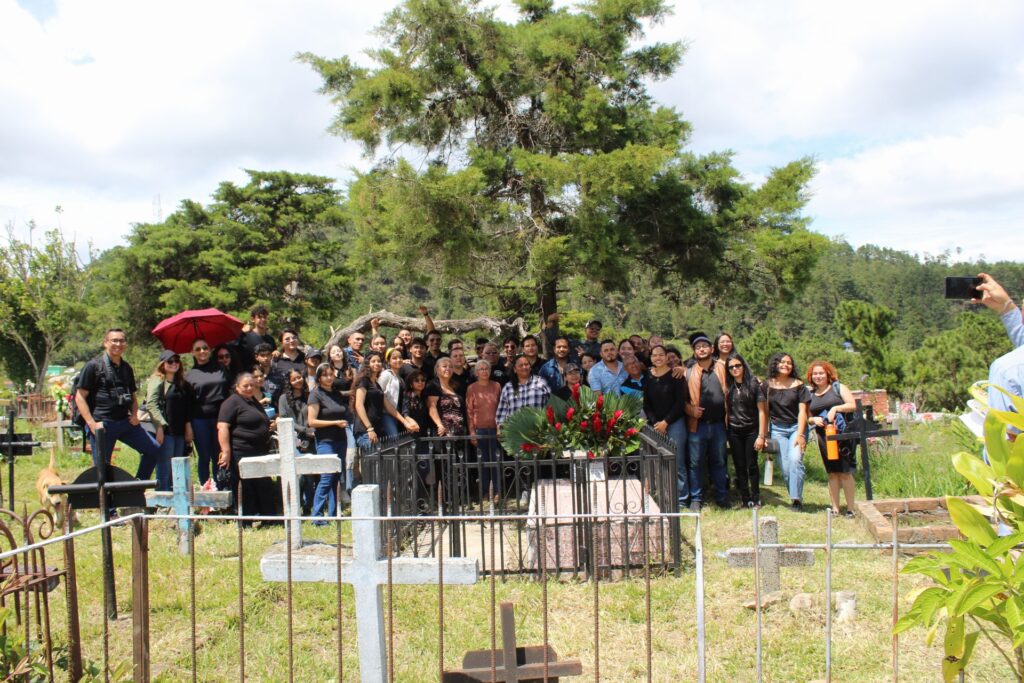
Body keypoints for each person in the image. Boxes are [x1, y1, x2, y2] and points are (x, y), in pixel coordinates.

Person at [74, 329, 163, 514]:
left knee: (153, 449)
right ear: (105, 342)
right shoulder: (93, 366)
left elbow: (132, 394)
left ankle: (134, 489)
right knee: (102, 469)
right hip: (102, 424)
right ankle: (109, 512)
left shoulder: (126, 367)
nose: (118, 344)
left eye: (122, 341)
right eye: (114, 340)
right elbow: (80, 397)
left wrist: (134, 414)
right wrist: (92, 423)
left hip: (125, 422)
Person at [217, 373, 275, 518]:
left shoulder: (253, 401)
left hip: (259, 449)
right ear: (237, 387)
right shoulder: (232, 402)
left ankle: (267, 517)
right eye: (245, 386)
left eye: (252, 385)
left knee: (262, 484)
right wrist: (226, 451)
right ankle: (247, 519)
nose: (249, 388)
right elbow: (222, 427)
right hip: (241, 450)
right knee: (245, 486)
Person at [683, 333, 729, 511]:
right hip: (697, 425)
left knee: (719, 461)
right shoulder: (688, 372)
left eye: (704, 345)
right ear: (694, 352)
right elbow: (682, 400)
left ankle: (722, 497)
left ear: (712, 349)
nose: (701, 349)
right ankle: (696, 498)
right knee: (696, 463)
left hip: (718, 424)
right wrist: (691, 410)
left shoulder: (723, 368)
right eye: (697, 347)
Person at [806, 360, 859, 517]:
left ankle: (850, 509)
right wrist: (813, 420)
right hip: (823, 436)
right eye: (815, 373)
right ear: (811, 376)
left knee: (845, 472)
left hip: (843, 434)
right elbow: (807, 417)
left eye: (821, 373)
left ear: (828, 373)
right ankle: (835, 509)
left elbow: (852, 405)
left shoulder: (838, 388)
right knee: (832, 473)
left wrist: (835, 409)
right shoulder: (810, 394)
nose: (818, 376)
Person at [643, 345, 688, 506]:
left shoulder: (676, 375)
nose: (658, 358)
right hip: (655, 425)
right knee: (657, 462)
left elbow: (679, 403)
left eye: (661, 355)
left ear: (666, 357)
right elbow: (646, 403)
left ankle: (681, 500)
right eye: (654, 355)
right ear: (651, 357)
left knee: (677, 461)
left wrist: (666, 422)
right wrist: (656, 422)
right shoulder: (648, 376)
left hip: (675, 422)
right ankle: (661, 497)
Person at [765, 352, 811, 510]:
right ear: (775, 364)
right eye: (782, 362)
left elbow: (803, 412)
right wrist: (764, 435)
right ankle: (795, 496)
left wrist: (800, 434)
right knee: (785, 468)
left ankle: (796, 499)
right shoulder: (767, 386)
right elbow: (763, 412)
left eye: (789, 363)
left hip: (797, 428)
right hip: (777, 430)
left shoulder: (799, 385)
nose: (785, 365)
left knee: (795, 460)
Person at [308, 363, 350, 520]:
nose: (329, 377)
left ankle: (333, 514)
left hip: (341, 439)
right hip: (325, 440)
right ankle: (317, 515)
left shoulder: (336, 393)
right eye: (325, 375)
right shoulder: (315, 394)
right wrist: (334, 423)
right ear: (319, 377)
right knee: (326, 477)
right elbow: (311, 421)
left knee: (336, 477)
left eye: (331, 374)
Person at [146, 350, 193, 492]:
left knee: (178, 467)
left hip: (179, 430)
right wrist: (160, 427)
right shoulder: (158, 380)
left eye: (176, 361)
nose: (174, 364)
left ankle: (177, 499)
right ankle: (163, 499)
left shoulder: (182, 383)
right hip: (166, 431)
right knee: (164, 467)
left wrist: (188, 428)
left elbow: (186, 408)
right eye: (170, 361)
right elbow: (151, 404)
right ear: (162, 364)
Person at [186, 338, 231, 486]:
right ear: (192, 352)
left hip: (221, 419)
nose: (202, 351)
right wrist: (188, 426)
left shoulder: (220, 368)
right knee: (204, 457)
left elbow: (230, 390)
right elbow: (187, 402)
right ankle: (206, 493)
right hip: (200, 420)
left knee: (219, 455)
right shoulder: (189, 375)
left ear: (210, 350)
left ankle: (222, 488)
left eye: (205, 348)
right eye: (198, 349)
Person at [725, 353, 768, 508]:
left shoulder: (754, 384)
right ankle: (745, 498)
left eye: (738, 365)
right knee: (739, 465)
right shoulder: (728, 387)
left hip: (752, 431)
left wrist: (761, 436)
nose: (735, 369)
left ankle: (756, 497)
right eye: (731, 367)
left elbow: (762, 412)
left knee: (752, 464)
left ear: (743, 366)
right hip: (734, 431)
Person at [278, 369, 316, 515]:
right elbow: (285, 419)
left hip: (311, 438)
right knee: (298, 477)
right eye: (294, 379)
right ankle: (295, 505)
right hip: (294, 439)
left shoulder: (310, 395)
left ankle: (309, 506)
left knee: (310, 475)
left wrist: (311, 430)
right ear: (289, 382)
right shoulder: (283, 399)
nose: (297, 381)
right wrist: (304, 430)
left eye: (299, 377)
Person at [467, 359, 502, 501]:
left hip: (495, 430)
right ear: (476, 372)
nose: (484, 371)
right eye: (481, 369)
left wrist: (500, 428)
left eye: (486, 368)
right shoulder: (472, 388)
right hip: (480, 430)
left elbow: (501, 408)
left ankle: (498, 491)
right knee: (483, 463)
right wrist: (472, 432)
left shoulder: (497, 386)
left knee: (496, 461)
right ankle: (486, 491)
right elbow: (469, 412)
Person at [496, 355, 552, 425]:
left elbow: (551, 405)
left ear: (530, 367)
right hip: (514, 432)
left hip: (538, 431)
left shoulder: (541, 383)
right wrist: (500, 427)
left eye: (526, 364)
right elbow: (501, 413)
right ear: (515, 369)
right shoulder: (508, 387)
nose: (524, 367)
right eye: (521, 365)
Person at [426, 357, 468, 440]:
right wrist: (439, 425)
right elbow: (431, 407)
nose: (448, 368)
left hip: (459, 431)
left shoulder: (456, 385)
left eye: (450, 367)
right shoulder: (433, 385)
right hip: (442, 432)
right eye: (444, 366)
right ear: (437, 369)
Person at [378, 348, 406, 438]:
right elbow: (379, 394)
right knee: (394, 439)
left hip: (396, 413)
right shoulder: (386, 374)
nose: (398, 360)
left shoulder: (400, 377)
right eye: (394, 358)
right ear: (388, 361)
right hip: (386, 413)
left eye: (400, 357)